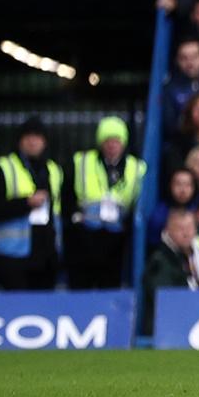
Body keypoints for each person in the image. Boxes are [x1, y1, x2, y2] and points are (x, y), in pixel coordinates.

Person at [64, 117, 147, 289]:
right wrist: (74, 219)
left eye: (116, 140)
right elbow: (66, 195)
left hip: (116, 239)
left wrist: (127, 224)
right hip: (84, 236)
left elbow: (140, 201)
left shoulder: (136, 167)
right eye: (107, 140)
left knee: (110, 285)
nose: (112, 145)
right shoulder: (82, 161)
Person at [0, 117, 63, 290]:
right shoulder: (5, 167)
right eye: (28, 136)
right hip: (14, 256)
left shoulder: (54, 170)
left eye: (37, 137)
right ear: (20, 141)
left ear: (44, 141)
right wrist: (26, 203)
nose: (33, 141)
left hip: (47, 256)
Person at [142, 210, 199, 333]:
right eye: (180, 229)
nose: (186, 233)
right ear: (168, 231)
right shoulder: (160, 261)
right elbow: (165, 298)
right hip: (174, 324)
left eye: (189, 228)